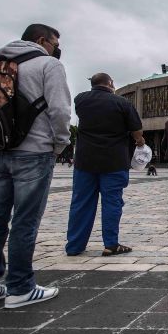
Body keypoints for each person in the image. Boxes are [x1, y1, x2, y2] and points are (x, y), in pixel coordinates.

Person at [0, 24, 70, 310]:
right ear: (41, 40)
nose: (56, 48)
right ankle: (19, 288)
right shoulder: (48, 64)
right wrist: (59, 145)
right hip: (33, 153)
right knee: (24, 223)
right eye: (55, 43)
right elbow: (60, 110)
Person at [66, 72, 143, 259]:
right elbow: (136, 130)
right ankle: (110, 244)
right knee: (112, 203)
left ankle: (74, 246)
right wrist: (139, 141)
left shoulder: (81, 99)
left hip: (85, 160)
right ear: (110, 83)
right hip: (114, 161)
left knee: (81, 203)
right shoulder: (122, 103)